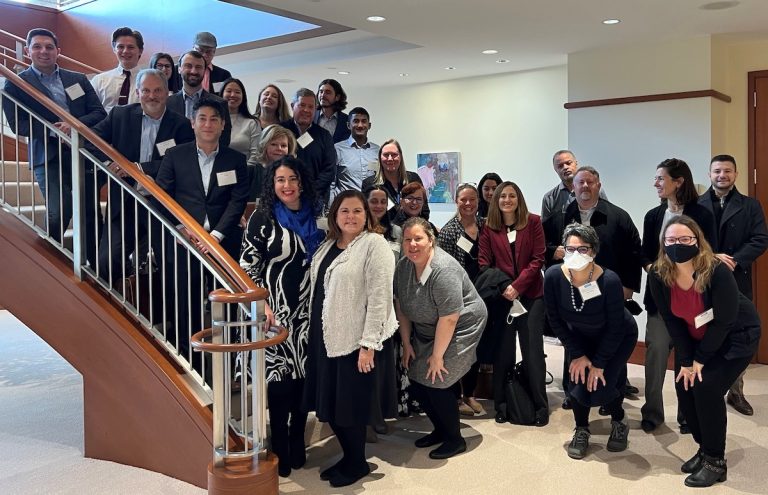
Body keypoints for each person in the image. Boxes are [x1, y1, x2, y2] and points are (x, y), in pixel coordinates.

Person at [648, 216, 760, 488]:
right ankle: (704, 448)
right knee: (684, 385)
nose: (678, 244)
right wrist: (687, 361)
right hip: (694, 336)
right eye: (671, 239)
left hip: (736, 336)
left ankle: (715, 461)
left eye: (685, 239)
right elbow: (672, 320)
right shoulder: (659, 274)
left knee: (706, 387)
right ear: (663, 243)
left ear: (697, 241)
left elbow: (724, 321)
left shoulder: (716, 270)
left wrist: (700, 360)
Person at [303, 190, 398, 487]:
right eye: (344, 211)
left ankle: (357, 463)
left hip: (357, 341)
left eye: (357, 210)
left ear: (367, 215)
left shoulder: (374, 245)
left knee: (350, 407)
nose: (351, 216)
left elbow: (380, 297)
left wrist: (369, 344)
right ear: (335, 215)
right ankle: (349, 457)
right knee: (332, 405)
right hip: (327, 337)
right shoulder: (328, 245)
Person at [241, 156, 323, 479]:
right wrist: (261, 304)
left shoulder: (318, 214)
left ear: (302, 182)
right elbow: (248, 265)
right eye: (280, 180)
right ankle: (279, 442)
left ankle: (297, 436)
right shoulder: (262, 217)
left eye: (292, 179)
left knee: (303, 380)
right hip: (275, 313)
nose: (287, 186)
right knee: (279, 383)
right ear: (272, 184)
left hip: (309, 311)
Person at [154, 99, 248, 369]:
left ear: (222, 125)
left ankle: (228, 360)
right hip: (185, 242)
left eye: (214, 119)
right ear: (193, 123)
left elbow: (237, 201)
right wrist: (181, 227)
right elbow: (162, 195)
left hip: (223, 242)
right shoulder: (175, 155)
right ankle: (190, 359)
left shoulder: (236, 160)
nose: (208, 124)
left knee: (227, 300)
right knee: (186, 301)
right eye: (202, 118)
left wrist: (216, 235)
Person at [2, 28, 106, 266]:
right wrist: (53, 129)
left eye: (49, 47)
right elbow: (18, 124)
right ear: (27, 51)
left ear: (58, 51)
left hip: (82, 152)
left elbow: (99, 113)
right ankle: (51, 263)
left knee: (90, 212)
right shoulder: (16, 83)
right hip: (47, 155)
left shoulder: (77, 79)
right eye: (37, 46)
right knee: (60, 209)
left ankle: (96, 269)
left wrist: (73, 125)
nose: (44, 51)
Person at [395, 217, 488, 460]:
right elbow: (401, 306)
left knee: (437, 377)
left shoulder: (443, 269)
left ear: (431, 240)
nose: (412, 244)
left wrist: (437, 356)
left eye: (418, 238)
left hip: (461, 324)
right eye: (407, 239)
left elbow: (449, 318)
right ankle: (440, 429)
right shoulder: (403, 267)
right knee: (416, 377)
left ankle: (455, 440)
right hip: (429, 326)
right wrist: (407, 343)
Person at [89, 68, 194, 281]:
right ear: (138, 92)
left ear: (167, 92)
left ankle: (165, 302)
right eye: (146, 90)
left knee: (171, 263)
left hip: (163, 204)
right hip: (125, 200)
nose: (151, 96)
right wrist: (109, 163)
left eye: (157, 90)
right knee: (107, 260)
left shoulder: (181, 124)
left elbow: (182, 161)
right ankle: (118, 299)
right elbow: (90, 139)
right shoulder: (120, 115)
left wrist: (140, 168)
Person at [543, 223, 638, 460]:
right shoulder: (553, 276)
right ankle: (581, 428)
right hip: (579, 336)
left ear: (593, 251)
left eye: (582, 249)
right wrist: (577, 353)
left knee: (603, 383)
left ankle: (619, 420)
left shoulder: (610, 280)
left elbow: (616, 327)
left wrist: (599, 363)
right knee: (577, 380)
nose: (575, 254)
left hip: (617, 336)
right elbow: (554, 319)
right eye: (570, 249)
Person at [640, 158, 717, 433]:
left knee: (688, 355)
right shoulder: (653, 216)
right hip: (660, 299)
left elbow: (709, 254)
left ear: (678, 181)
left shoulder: (703, 215)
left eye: (660, 178)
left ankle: (687, 413)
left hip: (693, 299)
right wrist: (655, 270)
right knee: (656, 352)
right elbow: (645, 255)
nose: (655, 183)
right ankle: (652, 412)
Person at [699, 154, 768, 416]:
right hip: (703, 278)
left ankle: (736, 392)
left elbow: (760, 239)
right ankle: (706, 386)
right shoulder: (696, 205)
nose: (722, 175)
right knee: (705, 332)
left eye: (727, 171)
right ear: (709, 174)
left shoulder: (750, 205)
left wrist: (735, 260)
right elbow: (687, 239)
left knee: (738, 335)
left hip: (737, 278)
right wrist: (711, 257)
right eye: (717, 171)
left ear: (736, 174)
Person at [479, 181, 549, 426]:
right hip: (503, 298)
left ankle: (540, 406)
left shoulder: (533, 222)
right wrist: (505, 287)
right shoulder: (489, 228)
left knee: (533, 353)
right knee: (503, 353)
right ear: (496, 201)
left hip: (531, 295)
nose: (507, 200)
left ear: (519, 199)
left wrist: (518, 286)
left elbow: (538, 259)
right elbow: (484, 263)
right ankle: (502, 405)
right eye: (502, 196)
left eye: (512, 196)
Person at [437, 183, 485, 416]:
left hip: (482, 293)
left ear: (478, 201)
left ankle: (470, 394)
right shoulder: (448, 232)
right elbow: (443, 269)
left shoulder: (485, 225)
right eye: (463, 199)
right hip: (459, 296)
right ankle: (456, 397)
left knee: (476, 347)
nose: (468, 204)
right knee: (457, 348)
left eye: (472, 199)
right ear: (456, 201)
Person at [281, 88, 337, 208]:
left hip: (315, 199)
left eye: (311, 107)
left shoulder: (324, 135)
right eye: (302, 105)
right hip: (283, 198)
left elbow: (329, 169)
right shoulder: (280, 131)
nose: (306, 110)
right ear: (292, 106)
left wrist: (309, 192)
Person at [167, 50, 231, 146]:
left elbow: (224, 139)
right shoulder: (167, 103)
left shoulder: (220, 103)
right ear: (179, 69)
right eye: (188, 66)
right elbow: (164, 137)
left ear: (204, 71)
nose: (193, 71)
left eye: (198, 67)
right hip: (174, 155)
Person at [361, 139, 431, 220]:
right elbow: (367, 215)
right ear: (380, 158)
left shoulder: (413, 179)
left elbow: (424, 211)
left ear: (400, 157)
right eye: (386, 155)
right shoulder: (370, 184)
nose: (390, 158)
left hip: (412, 226)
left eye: (394, 154)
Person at [331, 107, 379, 203]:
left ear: (369, 125)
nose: (360, 125)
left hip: (370, 206)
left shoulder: (377, 150)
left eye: (364, 121)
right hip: (346, 205)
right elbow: (331, 183)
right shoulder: (337, 149)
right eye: (356, 121)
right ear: (348, 125)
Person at [90, 27, 143, 112]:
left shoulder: (149, 81)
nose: (125, 51)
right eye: (120, 47)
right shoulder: (99, 80)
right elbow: (91, 110)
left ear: (140, 51)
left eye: (130, 47)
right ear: (114, 49)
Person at [247, 124, 297, 202]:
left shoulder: (295, 173)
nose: (279, 149)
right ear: (264, 146)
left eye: (283, 145)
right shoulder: (251, 172)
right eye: (274, 144)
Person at [218, 78, 260, 168]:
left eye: (237, 92)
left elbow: (255, 155)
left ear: (243, 96)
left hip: (245, 171)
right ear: (221, 94)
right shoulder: (214, 121)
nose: (233, 95)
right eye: (229, 91)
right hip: (217, 171)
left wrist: (242, 171)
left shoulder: (252, 123)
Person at [314, 78, 350, 143]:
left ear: (337, 97)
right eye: (321, 92)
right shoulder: (311, 117)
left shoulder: (347, 121)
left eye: (328, 92)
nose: (323, 95)